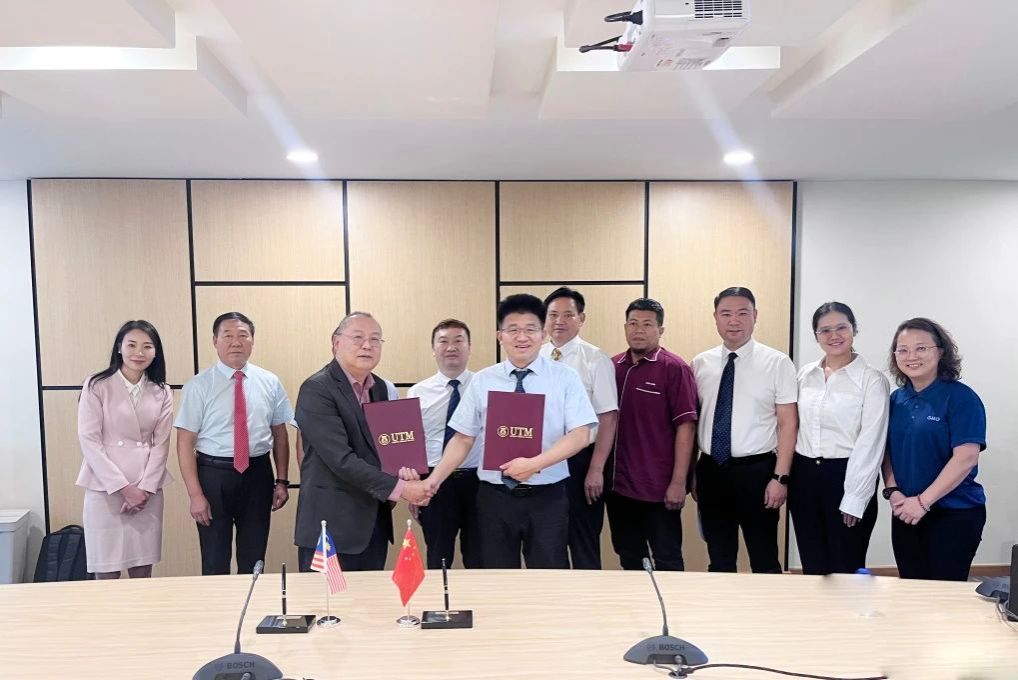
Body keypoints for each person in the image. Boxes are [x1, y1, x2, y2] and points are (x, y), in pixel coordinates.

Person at [423, 294, 596, 569]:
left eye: (530, 329)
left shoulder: (565, 378)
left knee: (550, 576)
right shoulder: (483, 380)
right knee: (496, 578)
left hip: (548, 497)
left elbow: (580, 434)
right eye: (513, 329)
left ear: (543, 334)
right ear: (499, 336)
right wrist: (433, 481)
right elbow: (463, 437)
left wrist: (534, 464)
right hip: (494, 498)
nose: (522, 337)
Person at [294, 312, 433, 572]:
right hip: (330, 526)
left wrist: (406, 471)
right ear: (336, 342)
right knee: (326, 598)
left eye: (375, 339)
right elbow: (340, 459)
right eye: (358, 338)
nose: (367, 345)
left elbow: (389, 449)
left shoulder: (382, 388)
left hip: (373, 525)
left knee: (371, 597)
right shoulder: (317, 389)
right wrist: (402, 488)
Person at [175, 312, 292, 575]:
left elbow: (280, 434)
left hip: (258, 473)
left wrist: (282, 481)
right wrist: (195, 495)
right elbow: (184, 443)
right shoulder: (199, 385)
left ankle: (251, 602)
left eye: (243, 335)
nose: (236, 342)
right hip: (213, 475)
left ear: (252, 341)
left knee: (254, 557)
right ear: (215, 341)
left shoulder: (270, 382)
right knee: (214, 558)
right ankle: (218, 604)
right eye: (227, 336)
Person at [692, 287, 798, 573]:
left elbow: (788, 424)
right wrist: (693, 473)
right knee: (719, 558)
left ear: (755, 316)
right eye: (726, 313)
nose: (734, 320)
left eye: (742, 313)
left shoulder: (777, 363)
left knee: (764, 558)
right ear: (715, 317)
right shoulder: (700, 363)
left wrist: (780, 477)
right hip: (711, 470)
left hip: (758, 472)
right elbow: (694, 421)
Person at [881, 318, 987, 581]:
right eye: (903, 349)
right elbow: (886, 451)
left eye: (921, 348)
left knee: (944, 595)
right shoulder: (895, 400)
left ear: (940, 351)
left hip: (954, 513)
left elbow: (966, 457)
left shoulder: (961, 398)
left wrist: (923, 502)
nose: (911, 356)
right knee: (911, 588)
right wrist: (893, 491)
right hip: (906, 511)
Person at [790, 302, 888, 575]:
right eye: (825, 330)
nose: (834, 336)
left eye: (841, 327)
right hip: (805, 475)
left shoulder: (872, 380)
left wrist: (855, 497)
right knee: (813, 564)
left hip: (847, 475)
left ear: (854, 329)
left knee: (845, 565)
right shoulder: (805, 375)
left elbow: (871, 442)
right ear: (816, 336)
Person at [76, 320, 173, 579]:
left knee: (142, 570)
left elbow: (161, 443)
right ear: (119, 347)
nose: (139, 352)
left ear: (156, 352)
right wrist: (123, 488)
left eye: (147, 346)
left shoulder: (162, 391)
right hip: (105, 488)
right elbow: (89, 440)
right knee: (106, 571)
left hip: (146, 490)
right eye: (131, 345)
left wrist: (145, 489)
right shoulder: (96, 385)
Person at [606, 298, 697, 571]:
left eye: (647, 324)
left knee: (668, 559)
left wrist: (679, 482)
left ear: (661, 330)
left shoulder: (674, 368)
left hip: (659, 487)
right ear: (625, 327)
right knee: (629, 557)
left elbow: (686, 426)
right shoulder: (611, 366)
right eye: (633, 323)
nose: (639, 330)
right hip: (619, 485)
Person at [541, 287, 618, 570]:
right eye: (553, 315)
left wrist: (596, 469)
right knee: (548, 542)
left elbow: (608, 417)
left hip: (582, 461)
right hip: (543, 460)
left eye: (568, 315)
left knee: (583, 541)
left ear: (581, 318)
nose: (559, 321)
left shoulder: (595, 359)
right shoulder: (536, 356)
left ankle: (590, 598)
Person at [407, 319, 483, 569]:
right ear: (433, 349)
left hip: (478, 481)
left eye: (458, 341)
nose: (451, 347)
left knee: (480, 557)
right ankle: (438, 596)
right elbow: (412, 444)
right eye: (443, 341)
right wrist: (415, 488)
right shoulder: (418, 391)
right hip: (435, 482)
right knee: (438, 556)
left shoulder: (485, 386)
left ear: (469, 347)